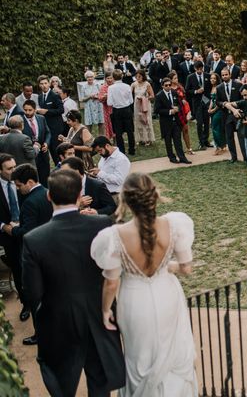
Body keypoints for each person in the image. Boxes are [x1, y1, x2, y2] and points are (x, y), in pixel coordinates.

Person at [90, 172, 197, 395]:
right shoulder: (175, 225)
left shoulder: (113, 236)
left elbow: (111, 283)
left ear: (125, 200)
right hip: (167, 295)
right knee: (174, 354)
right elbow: (186, 268)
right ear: (155, 195)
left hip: (134, 302)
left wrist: (105, 310)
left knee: (138, 356)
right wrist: (167, 267)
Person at [21, 169, 125, 394]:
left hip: (59, 319)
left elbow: (33, 292)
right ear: (80, 195)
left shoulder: (34, 240)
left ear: (49, 196)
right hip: (99, 313)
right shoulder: (102, 224)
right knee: (100, 381)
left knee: (61, 381)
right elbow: (113, 270)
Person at [11, 163, 54, 345]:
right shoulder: (48, 193)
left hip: (36, 257)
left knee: (37, 299)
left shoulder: (29, 203)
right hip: (52, 252)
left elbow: (28, 232)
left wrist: (12, 230)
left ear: (29, 182)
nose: (18, 189)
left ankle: (41, 335)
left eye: (19, 185)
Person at [0, 155, 29, 323]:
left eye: (14, 166)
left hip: (28, 231)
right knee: (18, 269)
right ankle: (26, 304)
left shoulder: (23, 181)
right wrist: (3, 226)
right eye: (9, 169)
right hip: (8, 236)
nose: (14, 170)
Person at [154, 78, 192, 165]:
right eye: (166, 85)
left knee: (178, 140)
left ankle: (182, 157)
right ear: (162, 86)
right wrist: (170, 111)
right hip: (166, 122)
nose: (168, 87)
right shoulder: (159, 96)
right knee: (168, 141)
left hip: (176, 121)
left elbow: (179, 104)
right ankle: (172, 157)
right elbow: (156, 110)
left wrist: (177, 108)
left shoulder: (174, 93)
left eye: (169, 85)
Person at [217, 68, 246, 162]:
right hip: (226, 115)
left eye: (226, 74)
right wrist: (223, 104)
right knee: (229, 137)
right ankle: (233, 157)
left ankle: (246, 157)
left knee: (241, 136)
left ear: (230, 75)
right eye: (223, 75)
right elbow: (217, 101)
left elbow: (244, 99)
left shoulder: (238, 85)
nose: (225, 76)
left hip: (237, 115)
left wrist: (235, 105)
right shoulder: (219, 87)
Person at [37, 75, 66, 162]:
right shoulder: (40, 97)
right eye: (41, 84)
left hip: (56, 128)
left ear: (49, 84)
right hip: (46, 127)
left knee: (57, 150)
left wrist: (47, 111)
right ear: (39, 85)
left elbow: (61, 110)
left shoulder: (55, 95)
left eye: (45, 83)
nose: (44, 85)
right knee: (51, 151)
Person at [21, 100, 51, 184]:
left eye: (30, 110)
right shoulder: (20, 121)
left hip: (43, 154)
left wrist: (46, 143)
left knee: (45, 178)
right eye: (25, 110)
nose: (27, 112)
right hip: (30, 156)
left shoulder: (41, 118)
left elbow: (48, 132)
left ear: (34, 110)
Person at [107, 70, 135, 156]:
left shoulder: (111, 88)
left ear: (113, 78)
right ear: (122, 76)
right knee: (130, 131)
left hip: (117, 110)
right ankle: (132, 149)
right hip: (126, 109)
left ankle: (121, 150)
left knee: (118, 132)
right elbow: (131, 101)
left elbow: (109, 103)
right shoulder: (127, 86)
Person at [185, 61, 212, 150]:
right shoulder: (190, 77)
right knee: (199, 123)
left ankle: (206, 140)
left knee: (207, 122)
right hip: (196, 103)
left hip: (206, 101)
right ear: (195, 69)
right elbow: (187, 91)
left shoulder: (208, 76)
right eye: (198, 69)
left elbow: (211, 88)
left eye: (201, 69)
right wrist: (196, 91)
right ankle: (201, 142)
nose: (200, 71)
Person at [170, 71, 194, 155]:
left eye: (177, 78)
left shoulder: (180, 86)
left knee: (186, 130)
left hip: (183, 111)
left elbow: (184, 96)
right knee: (177, 133)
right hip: (176, 112)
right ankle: (179, 150)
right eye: (175, 78)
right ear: (171, 80)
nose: (177, 79)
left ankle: (189, 148)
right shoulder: (169, 89)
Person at [131, 69, 155, 146]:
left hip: (145, 105)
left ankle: (148, 139)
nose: (138, 78)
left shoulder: (147, 84)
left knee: (146, 121)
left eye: (139, 76)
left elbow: (152, 96)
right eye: (136, 76)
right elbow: (129, 94)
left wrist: (145, 98)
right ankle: (140, 139)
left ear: (143, 76)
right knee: (138, 121)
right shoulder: (133, 84)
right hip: (137, 105)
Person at [79, 71, 105, 135]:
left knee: (101, 123)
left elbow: (102, 95)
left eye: (91, 77)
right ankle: (88, 140)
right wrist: (90, 97)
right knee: (88, 124)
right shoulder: (83, 87)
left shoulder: (98, 85)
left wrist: (96, 96)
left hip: (98, 105)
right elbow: (82, 99)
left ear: (93, 77)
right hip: (89, 106)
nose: (90, 78)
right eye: (88, 77)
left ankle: (101, 139)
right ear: (86, 78)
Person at [207, 73, 226, 154]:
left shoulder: (219, 88)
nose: (212, 80)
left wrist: (214, 110)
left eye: (214, 78)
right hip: (213, 110)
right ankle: (222, 145)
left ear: (217, 79)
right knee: (216, 128)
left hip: (219, 110)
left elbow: (219, 101)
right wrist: (209, 108)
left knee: (215, 128)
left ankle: (219, 147)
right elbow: (212, 100)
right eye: (211, 78)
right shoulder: (212, 87)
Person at [98, 72, 115, 139]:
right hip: (107, 109)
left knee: (116, 123)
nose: (110, 80)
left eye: (111, 78)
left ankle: (117, 137)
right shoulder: (103, 87)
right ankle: (111, 137)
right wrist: (104, 97)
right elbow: (100, 98)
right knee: (109, 123)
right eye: (108, 78)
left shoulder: (115, 85)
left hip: (116, 107)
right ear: (105, 79)